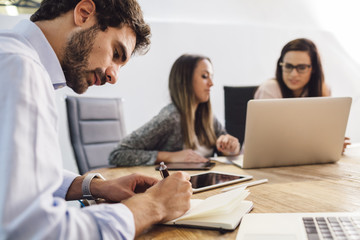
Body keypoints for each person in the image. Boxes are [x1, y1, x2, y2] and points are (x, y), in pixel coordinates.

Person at [0, 0, 192, 239]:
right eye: (116, 53)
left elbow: (14, 175)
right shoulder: (21, 69)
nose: (114, 76)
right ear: (84, 13)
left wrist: (94, 186)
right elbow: (32, 230)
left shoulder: (10, 56)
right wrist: (153, 206)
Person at [109, 54, 241, 166]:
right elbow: (117, 154)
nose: (211, 83)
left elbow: (225, 150)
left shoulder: (208, 117)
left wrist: (232, 148)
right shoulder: (171, 117)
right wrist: (169, 157)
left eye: (211, 76)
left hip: (207, 183)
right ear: (186, 81)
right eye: (205, 76)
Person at [254, 38, 350, 151]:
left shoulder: (323, 90)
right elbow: (269, 140)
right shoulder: (270, 89)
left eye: (301, 67)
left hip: (306, 157)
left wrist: (332, 142)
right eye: (288, 66)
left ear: (313, 68)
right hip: (268, 156)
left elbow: (322, 133)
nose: (293, 74)